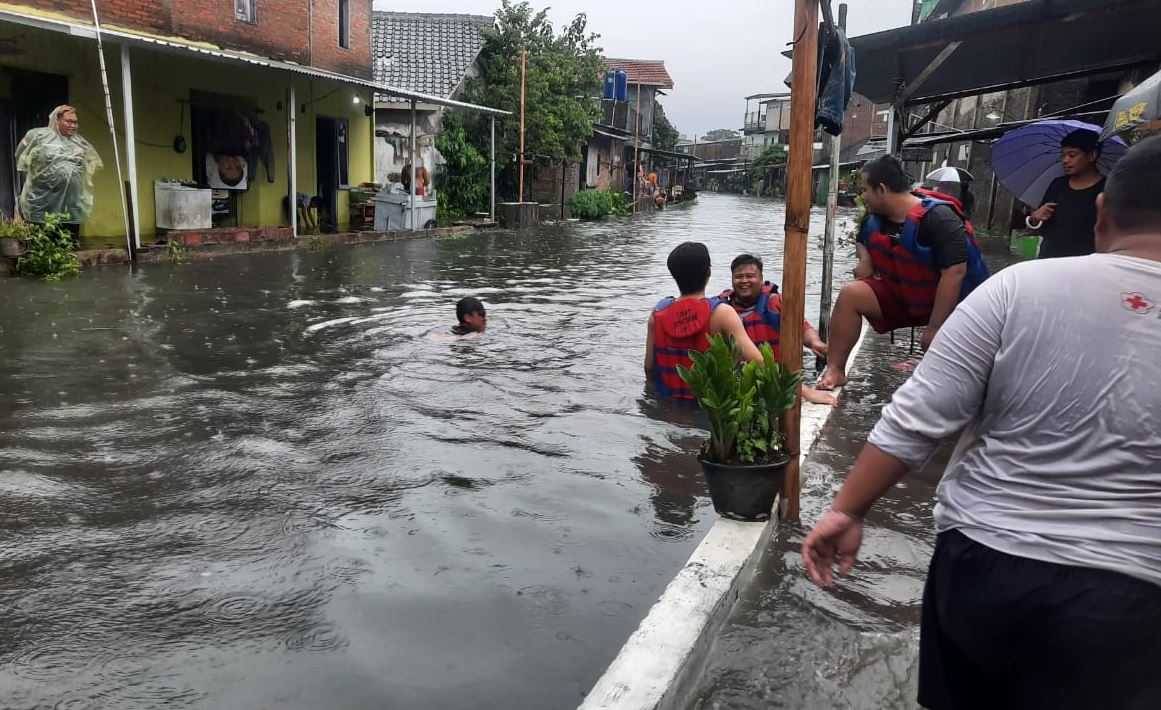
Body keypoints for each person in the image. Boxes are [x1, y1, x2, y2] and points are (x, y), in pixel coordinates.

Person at [801, 135, 1161, 710]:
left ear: (1102, 214)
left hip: (986, 559)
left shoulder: (1011, 290)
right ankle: (835, 370)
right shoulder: (959, 261)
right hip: (1137, 593)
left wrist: (846, 509)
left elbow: (914, 419)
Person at [816, 155, 989, 390]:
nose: (863, 196)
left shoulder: (940, 219)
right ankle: (835, 369)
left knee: (956, 384)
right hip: (908, 297)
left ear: (882, 189)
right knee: (850, 294)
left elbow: (955, 272)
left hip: (956, 307)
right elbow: (862, 239)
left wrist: (935, 328)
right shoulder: (873, 219)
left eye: (866, 189)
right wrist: (865, 258)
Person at [645, 242, 762, 399]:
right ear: (708, 273)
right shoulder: (722, 313)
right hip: (711, 413)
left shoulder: (658, 313)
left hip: (666, 408)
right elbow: (759, 363)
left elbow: (649, 368)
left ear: (674, 275)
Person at [719, 254, 836, 406]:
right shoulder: (722, 310)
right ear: (732, 280)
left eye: (750, 276)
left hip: (779, 379)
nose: (744, 281)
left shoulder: (776, 303)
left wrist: (815, 343)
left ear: (761, 279)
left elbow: (802, 328)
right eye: (738, 277)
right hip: (740, 382)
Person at [15, 105, 103, 230]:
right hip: (43, 200)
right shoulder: (37, 135)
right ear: (56, 120)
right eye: (69, 121)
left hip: (71, 203)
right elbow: (20, 153)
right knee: (43, 241)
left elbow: (94, 161)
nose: (73, 125)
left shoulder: (79, 141)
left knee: (68, 242)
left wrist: (82, 154)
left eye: (76, 122)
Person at [1027, 128, 1105, 259]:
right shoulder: (1058, 185)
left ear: (1092, 155)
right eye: (1063, 155)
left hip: (1086, 265)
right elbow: (1040, 225)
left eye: (1072, 155)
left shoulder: (1107, 190)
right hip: (1049, 260)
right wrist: (1035, 217)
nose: (1065, 160)